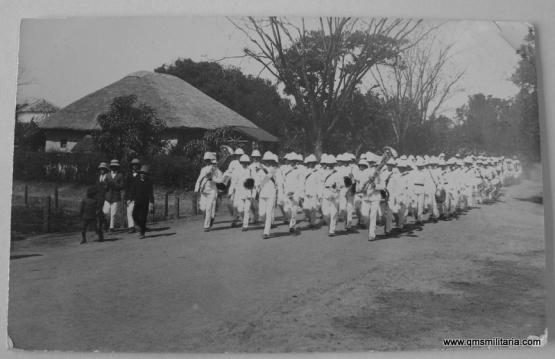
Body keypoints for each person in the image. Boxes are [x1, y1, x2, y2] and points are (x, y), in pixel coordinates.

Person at [194, 152, 223, 231]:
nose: (207, 161)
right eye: (206, 160)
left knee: (209, 208)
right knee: (203, 208)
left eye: (208, 160)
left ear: (211, 160)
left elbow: (221, 180)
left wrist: (212, 179)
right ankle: (211, 218)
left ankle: (206, 226)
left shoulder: (217, 170)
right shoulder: (203, 169)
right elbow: (199, 179)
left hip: (212, 191)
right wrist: (196, 189)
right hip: (203, 191)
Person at [257, 152, 279, 239]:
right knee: (262, 214)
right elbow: (257, 182)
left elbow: (278, 182)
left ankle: (266, 232)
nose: (268, 162)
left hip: (271, 194)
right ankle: (266, 225)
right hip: (262, 193)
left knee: (269, 213)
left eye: (270, 161)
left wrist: (277, 193)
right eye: (267, 160)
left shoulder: (275, 170)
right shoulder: (260, 170)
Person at [131, 165, 154, 239]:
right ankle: (138, 226)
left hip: (145, 202)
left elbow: (151, 193)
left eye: (144, 173)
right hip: (137, 201)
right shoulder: (136, 181)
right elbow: (133, 190)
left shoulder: (149, 182)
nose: (142, 174)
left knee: (143, 218)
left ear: (146, 174)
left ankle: (142, 233)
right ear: (140, 173)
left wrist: (151, 202)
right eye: (141, 173)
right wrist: (130, 199)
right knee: (134, 214)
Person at [103, 159, 124, 232]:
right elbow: (104, 185)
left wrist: (115, 185)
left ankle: (111, 227)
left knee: (113, 213)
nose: (114, 168)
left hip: (116, 197)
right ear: (111, 167)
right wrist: (107, 185)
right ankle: (105, 225)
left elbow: (122, 186)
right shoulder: (107, 175)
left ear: (117, 167)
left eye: (115, 166)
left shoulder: (120, 175)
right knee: (105, 212)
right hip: (108, 196)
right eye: (112, 166)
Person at [124, 158, 141, 233]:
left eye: (136, 165)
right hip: (129, 196)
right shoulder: (129, 175)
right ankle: (131, 227)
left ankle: (138, 225)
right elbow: (126, 187)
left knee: (137, 212)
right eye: (133, 165)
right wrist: (126, 197)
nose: (135, 166)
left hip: (137, 196)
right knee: (129, 212)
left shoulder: (140, 175)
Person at [95, 162, 110, 236]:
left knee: (101, 211)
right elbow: (96, 186)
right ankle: (103, 224)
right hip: (98, 195)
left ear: (105, 169)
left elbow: (107, 186)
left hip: (105, 195)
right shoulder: (99, 177)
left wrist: (103, 185)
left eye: (103, 169)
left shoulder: (107, 176)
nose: (102, 170)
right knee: (98, 211)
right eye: (101, 169)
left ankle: (102, 225)